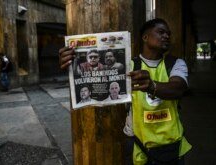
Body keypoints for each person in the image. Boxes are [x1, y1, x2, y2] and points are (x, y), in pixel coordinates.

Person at [59, 18, 191, 165]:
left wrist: (151, 86)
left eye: (168, 33)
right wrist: (73, 65)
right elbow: (96, 81)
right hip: (137, 145)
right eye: (161, 32)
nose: (166, 36)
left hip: (170, 145)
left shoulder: (176, 64)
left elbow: (177, 89)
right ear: (145, 37)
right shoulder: (128, 66)